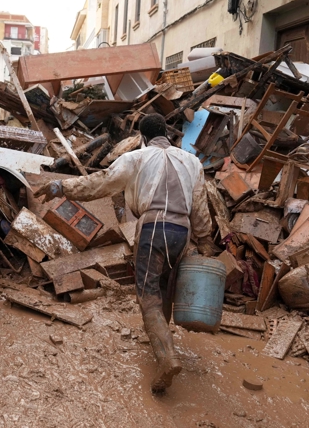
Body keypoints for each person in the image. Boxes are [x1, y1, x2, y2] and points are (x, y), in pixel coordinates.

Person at [35, 113, 215, 392]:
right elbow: (201, 208)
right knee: (165, 288)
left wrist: (61, 186)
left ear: (142, 137)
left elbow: (101, 182)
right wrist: (204, 242)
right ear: (167, 134)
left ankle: (167, 358)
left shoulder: (136, 158)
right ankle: (164, 346)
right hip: (182, 230)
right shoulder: (191, 161)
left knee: (148, 294)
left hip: (154, 227)